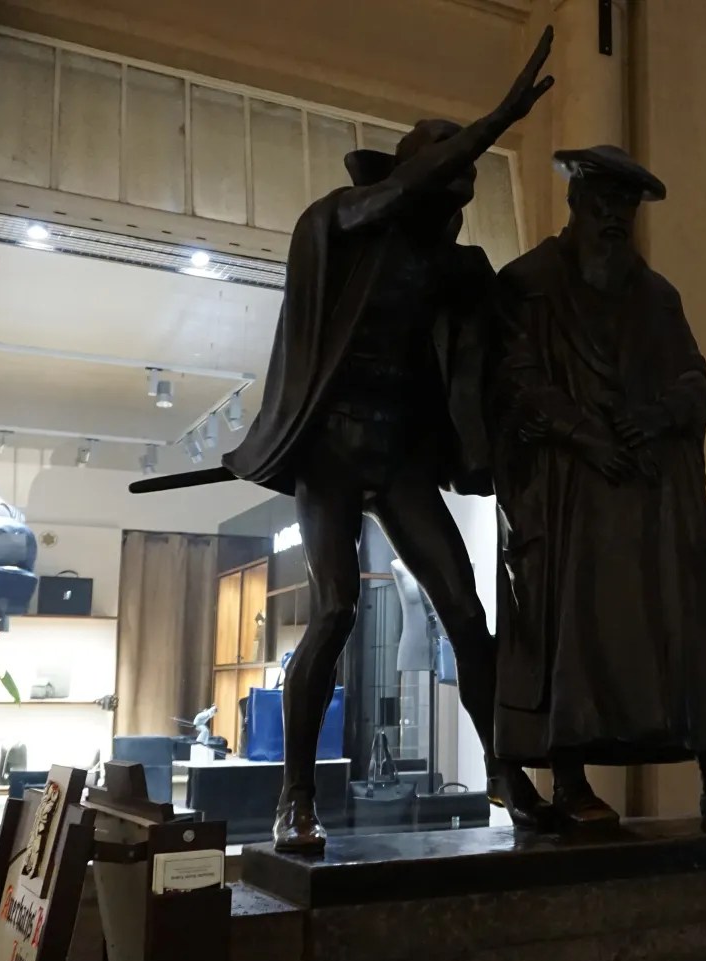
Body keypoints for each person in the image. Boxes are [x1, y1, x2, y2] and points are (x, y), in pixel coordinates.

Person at [220, 28, 559, 853]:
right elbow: (398, 194)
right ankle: (296, 796)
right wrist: (498, 119)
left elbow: (515, 338)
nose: (454, 190)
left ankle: (506, 773)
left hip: (402, 454)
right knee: (336, 609)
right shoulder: (340, 222)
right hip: (330, 453)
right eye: (443, 168)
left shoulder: (453, 269)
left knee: (466, 613)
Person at [489, 145, 706, 830]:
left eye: (624, 209)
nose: (614, 220)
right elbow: (514, 381)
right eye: (602, 206)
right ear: (575, 203)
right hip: (570, 493)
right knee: (570, 625)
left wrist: (656, 417)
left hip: (654, 493)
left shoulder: (657, 297)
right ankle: (569, 781)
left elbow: (694, 381)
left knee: (689, 622)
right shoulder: (528, 284)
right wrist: (584, 436)